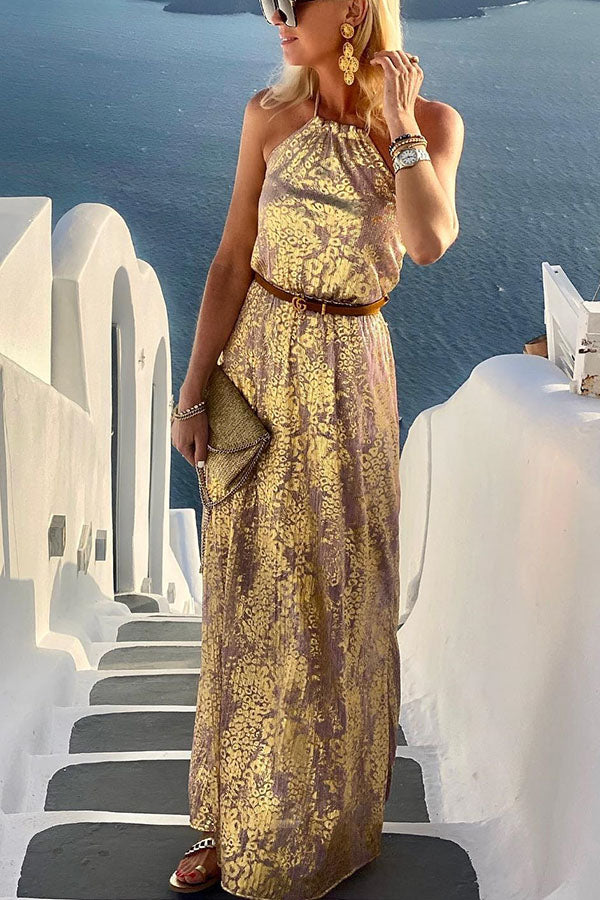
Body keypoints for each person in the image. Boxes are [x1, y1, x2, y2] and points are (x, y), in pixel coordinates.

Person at [169, 0, 464, 896]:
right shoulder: (269, 115)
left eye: (291, 2)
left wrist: (400, 124)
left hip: (352, 379)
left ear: (356, 8)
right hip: (259, 369)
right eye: (267, 4)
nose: (275, 16)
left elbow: (429, 241)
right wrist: (192, 392)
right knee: (251, 601)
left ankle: (328, 830)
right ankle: (230, 821)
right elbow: (231, 259)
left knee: (341, 603)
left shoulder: (432, 122)